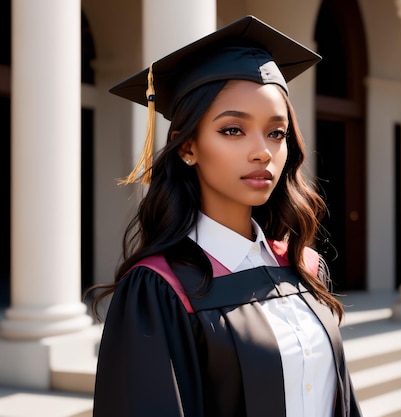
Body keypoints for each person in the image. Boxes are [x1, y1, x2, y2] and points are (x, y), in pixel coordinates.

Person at [88, 15, 362, 417]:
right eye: (233, 130)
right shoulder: (160, 289)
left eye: (276, 132)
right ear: (188, 148)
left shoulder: (303, 266)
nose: (262, 152)